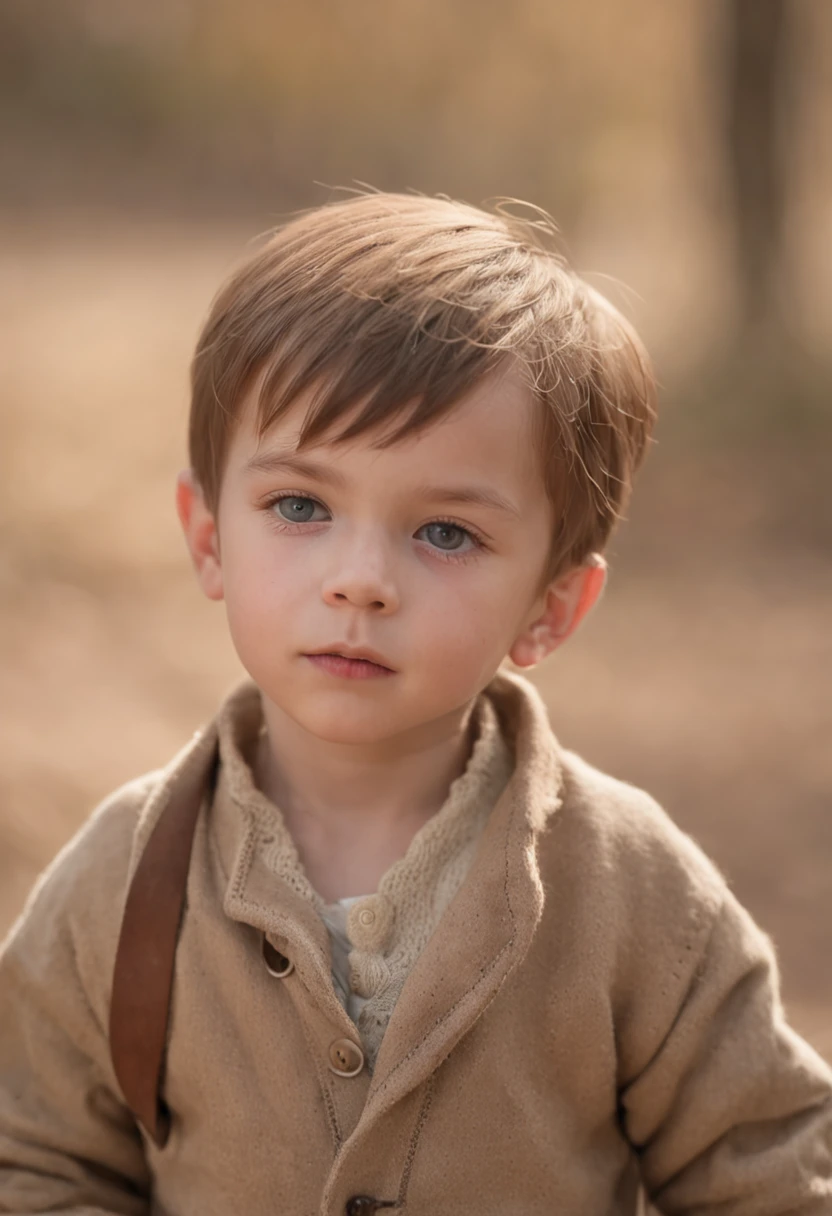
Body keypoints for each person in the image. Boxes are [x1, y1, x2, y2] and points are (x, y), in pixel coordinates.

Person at [1, 192, 830, 1216]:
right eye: (300, 506)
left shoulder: (633, 891)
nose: (360, 581)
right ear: (209, 535)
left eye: (444, 533)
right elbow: (33, 1159)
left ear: (551, 604)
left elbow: (773, 1170)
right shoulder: (125, 880)